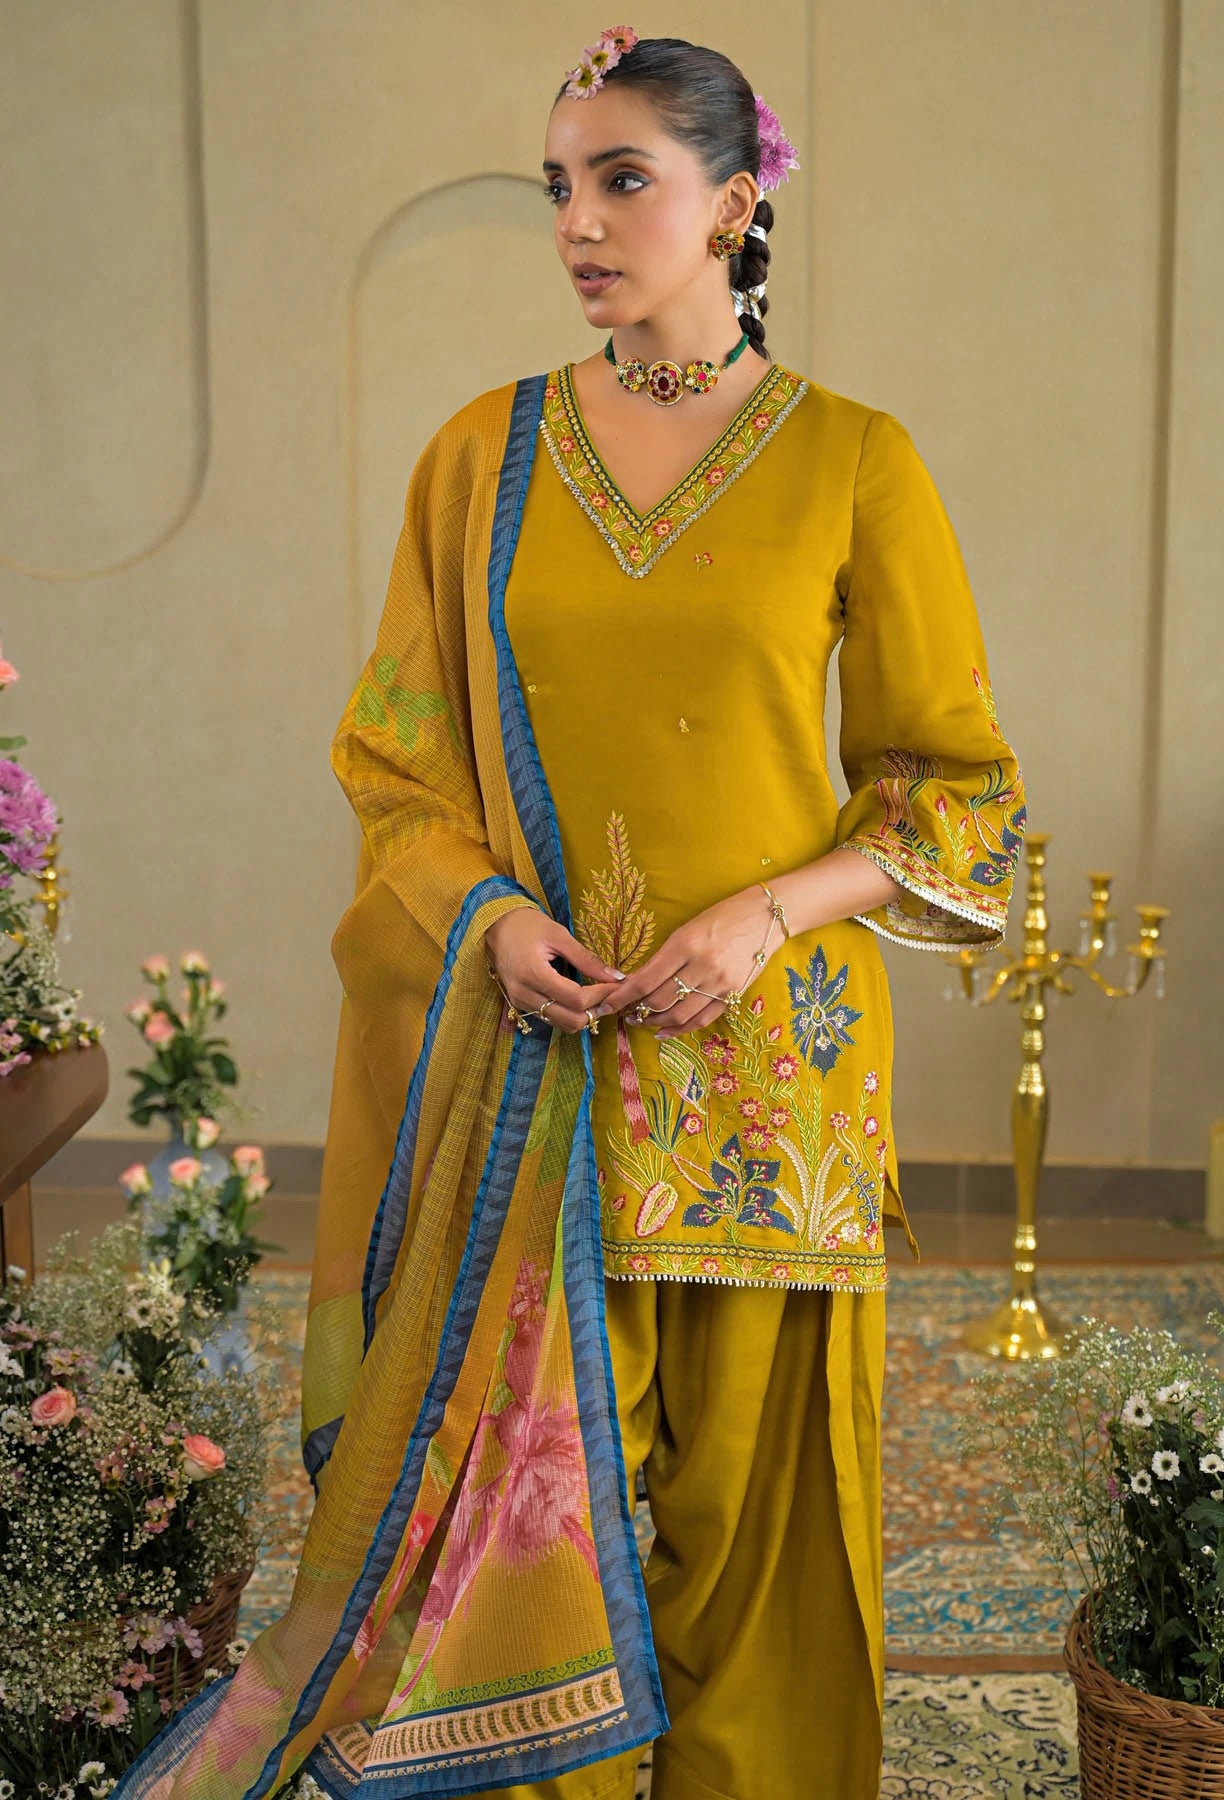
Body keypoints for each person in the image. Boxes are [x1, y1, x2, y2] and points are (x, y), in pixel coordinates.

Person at [114, 27, 1025, 1800]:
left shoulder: (855, 461)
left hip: (774, 1090)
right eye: (559, 184)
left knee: (750, 1541)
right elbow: (396, 762)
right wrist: (487, 919)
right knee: (521, 1545)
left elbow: (954, 792)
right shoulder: (486, 458)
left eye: (624, 180)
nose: (581, 223)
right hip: (540, 1068)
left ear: (734, 206)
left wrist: (768, 917)